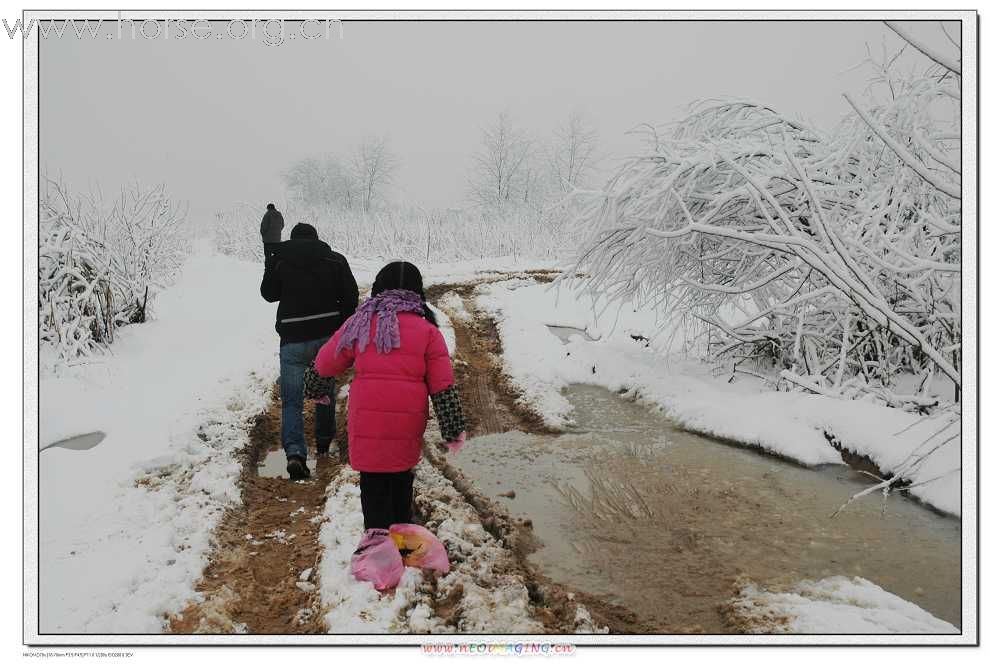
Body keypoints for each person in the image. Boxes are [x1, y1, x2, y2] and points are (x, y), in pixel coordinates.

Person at [313, 261, 467, 531]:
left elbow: (326, 363)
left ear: (378, 288)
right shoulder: (428, 331)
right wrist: (452, 428)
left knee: (373, 490)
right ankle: (400, 545)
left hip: (366, 424)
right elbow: (443, 386)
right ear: (418, 291)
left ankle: (377, 549)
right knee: (400, 483)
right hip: (406, 426)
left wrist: (313, 387)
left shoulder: (360, 324)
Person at [260, 222, 359, 480]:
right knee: (324, 390)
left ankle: (295, 454)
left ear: (292, 241)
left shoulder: (280, 260)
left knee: (292, 400)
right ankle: (324, 443)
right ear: (316, 238)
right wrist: (343, 329)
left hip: (292, 339)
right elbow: (351, 296)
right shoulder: (334, 259)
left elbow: (268, 294)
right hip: (326, 337)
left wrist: (270, 263)